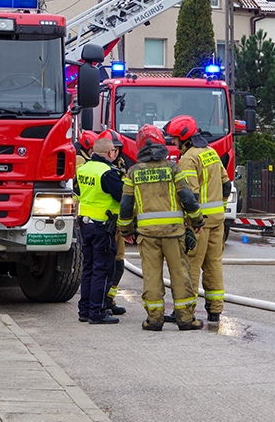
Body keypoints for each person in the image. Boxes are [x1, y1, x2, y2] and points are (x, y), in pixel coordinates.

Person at [118, 125, 205, 331]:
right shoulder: (172, 168)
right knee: (180, 274)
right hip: (174, 233)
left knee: (151, 277)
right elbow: (187, 198)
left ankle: (154, 319)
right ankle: (185, 319)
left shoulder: (133, 172)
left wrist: (126, 230)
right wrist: (197, 221)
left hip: (147, 236)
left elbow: (126, 205)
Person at [164, 115, 232, 323]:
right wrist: (219, 210)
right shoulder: (211, 152)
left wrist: (194, 221)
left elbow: (190, 195)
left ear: (185, 138)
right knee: (213, 264)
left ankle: (184, 311)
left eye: (175, 139)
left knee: (190, 265)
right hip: (217, 220)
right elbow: (226, 185)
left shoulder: (188, 159)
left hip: (199, 223)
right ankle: (215, 310)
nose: (173, 143)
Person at [74, 137, 124, 325]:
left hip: (85, 225)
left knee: (88, 268)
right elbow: (121, 196)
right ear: (110, 153)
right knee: (102, 270)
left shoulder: (84, 169)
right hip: (103, 226)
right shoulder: (107, 173)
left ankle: (85, 310)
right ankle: (97, 311)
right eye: (114, 150)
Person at [97, 128, 128, 316]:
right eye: (112, 149)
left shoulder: (122, 167)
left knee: (118, 265)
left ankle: (110, 299)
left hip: (118, 224)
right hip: (103, 224)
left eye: (117, 149)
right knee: (103, 266)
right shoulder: (103, 170)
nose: (114, 153)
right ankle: (101, 302)